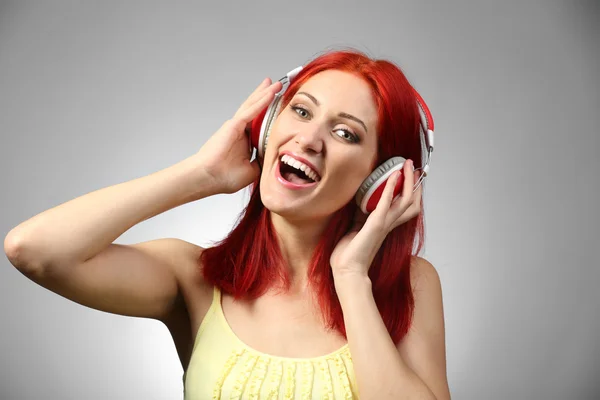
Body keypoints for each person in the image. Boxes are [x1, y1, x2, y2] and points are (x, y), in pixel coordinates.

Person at [4, 49, 450, 399]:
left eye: (345, 133)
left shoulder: (408, 285)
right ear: (267, 125)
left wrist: (351, 279)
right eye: (300, 111)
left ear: (384, 178)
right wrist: (201, 174)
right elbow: (33, 250)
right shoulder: (194, 277)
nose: (309, 139)